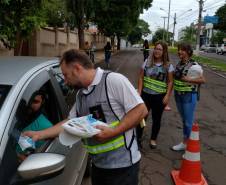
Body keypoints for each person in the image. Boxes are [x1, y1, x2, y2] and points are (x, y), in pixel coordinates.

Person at [24, 49, 148, 185]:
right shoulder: (81, 94)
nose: (65, 81)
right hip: (98, 166)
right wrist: (39, 134)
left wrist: (114, 131)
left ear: (77, 68)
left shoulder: (113, 81)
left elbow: (141, 110)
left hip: (123, 167)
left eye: (66, 75)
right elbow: (69, 122)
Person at [137, 41, 174, 149]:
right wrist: (139, 92)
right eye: (156, 49)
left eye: (160, 49)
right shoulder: (147, 62)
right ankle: (138, 138)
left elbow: (170, 82)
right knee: (142, 118)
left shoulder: (168, 66)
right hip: (145, 95)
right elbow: (141, 77)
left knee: (157, 119)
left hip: (159, 97)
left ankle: (153, 139)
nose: (157, 51)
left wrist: (167, 96)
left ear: (164, 51)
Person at [171, 43, 205, 151]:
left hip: (189, 96)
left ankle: (189, 146)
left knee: (188, 122)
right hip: (178, 95)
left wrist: (188, 80)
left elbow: (203, 80)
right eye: (179, 50)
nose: (180, 52)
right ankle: (185, 143)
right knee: (184, 120)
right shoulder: (179, 64)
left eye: (183, 50)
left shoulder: (194, 65)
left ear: (188, 52)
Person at [16, 91, 53, 161]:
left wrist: (20, 156)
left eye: (35, 101)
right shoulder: (11, 118)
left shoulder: (46, 127)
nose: (29, 105)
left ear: (42, 103)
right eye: (27, 101)